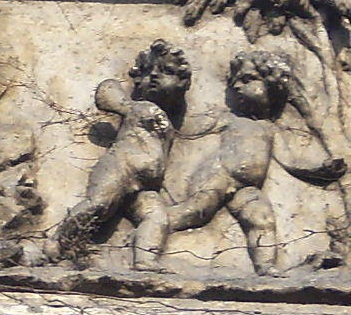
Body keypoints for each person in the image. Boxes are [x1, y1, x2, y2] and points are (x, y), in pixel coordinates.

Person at [166, 50, 344, 276]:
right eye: (235, 82)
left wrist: (320, 169)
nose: (237, 87)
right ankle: (153, 228)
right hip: (218, 176)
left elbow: (290, 160)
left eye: (247, 79)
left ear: (272, 86)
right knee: (193, 212)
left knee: (262, 219)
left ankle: (265, 267)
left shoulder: (270, 129)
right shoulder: (229, 119)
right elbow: (191, 129)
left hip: (247, 188)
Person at [47, 39, 191, 269]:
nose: (154, 76)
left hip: (144, 186)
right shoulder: (136, 107)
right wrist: (126, 102)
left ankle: (145, 260)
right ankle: (57, 243)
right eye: (147, 72)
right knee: (97, 205)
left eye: (166, 71)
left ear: (183, 82)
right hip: (119, 169)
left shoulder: (169, 122)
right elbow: (106, 93)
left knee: (156, 217)